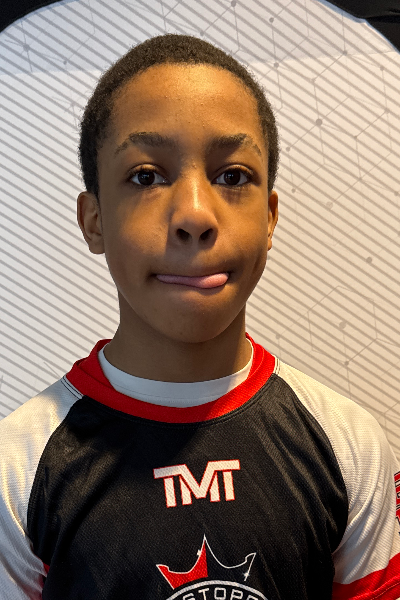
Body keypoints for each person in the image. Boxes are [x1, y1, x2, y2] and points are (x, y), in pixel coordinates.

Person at [0, 34, 399, 600]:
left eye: (232, 176)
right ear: (93, 221)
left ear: (269, 217)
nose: (194, 214)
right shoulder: (17, 468)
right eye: (146, 176)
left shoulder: (348, 443)